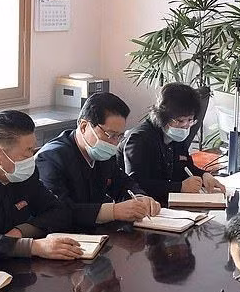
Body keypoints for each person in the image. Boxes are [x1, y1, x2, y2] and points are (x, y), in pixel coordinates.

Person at [0, 110, 84, 260]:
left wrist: (20, 232)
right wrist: (32, 246)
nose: (31, 158)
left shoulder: (24, 173)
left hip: (19, 262)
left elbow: (59, 211)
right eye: (27, 153)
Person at [36, 93, 160, 224]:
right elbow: (59, 211)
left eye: (119, 136)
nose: (114, 143)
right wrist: (113, 211)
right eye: (110, 135)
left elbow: (122, 182)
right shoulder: (52, 158)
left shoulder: (103, 153)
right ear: (84, 126)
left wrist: (140, 197)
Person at [119, 83, 224, 204]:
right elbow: (135, 183)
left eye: (190, 120)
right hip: (142, 204)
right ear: (163, 116)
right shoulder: (140, 139)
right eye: (180, 120)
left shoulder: (177, 136)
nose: (185, 126)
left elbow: (185, 167)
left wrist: (204, 175)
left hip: (167, 201)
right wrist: (179, 187)